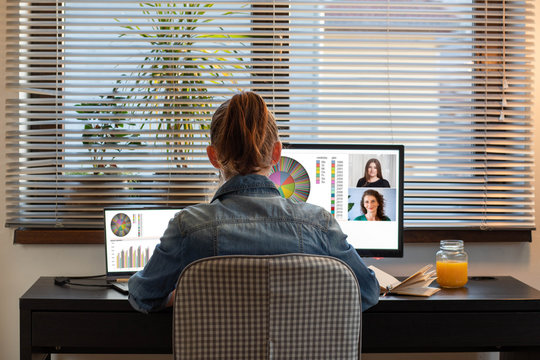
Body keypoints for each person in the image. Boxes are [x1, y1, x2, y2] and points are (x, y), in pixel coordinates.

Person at [128, 91, 380, 313]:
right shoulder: (319, 224)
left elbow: (142, 295)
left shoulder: (188, 228)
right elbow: (368, 291)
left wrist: (183, 296)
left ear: (213, 157)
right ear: (277, 152)